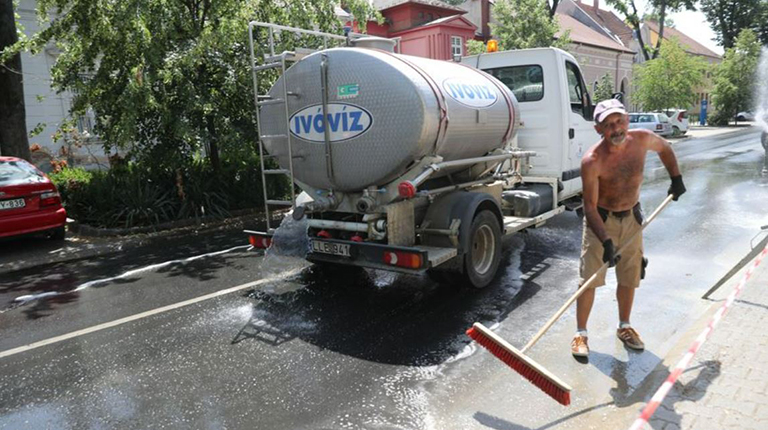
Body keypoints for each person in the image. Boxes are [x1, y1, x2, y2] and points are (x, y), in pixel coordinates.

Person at [571, 99, 686, 358]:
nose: (616, 129)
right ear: (599, 129)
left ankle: (625, 327)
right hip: (600, 221)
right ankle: (581, 333)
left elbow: (666, 148)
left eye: (619, 121)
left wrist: (676, 178)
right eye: (608, 125)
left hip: (632, 218)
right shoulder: (592, 161)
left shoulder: (642, 139)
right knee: (590, 278)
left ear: (627, 120)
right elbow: (589, 206)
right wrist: (606, 241)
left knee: (630, 275)